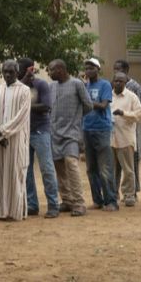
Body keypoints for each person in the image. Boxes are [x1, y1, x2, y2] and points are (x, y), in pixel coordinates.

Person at [48, 59, 92, 217]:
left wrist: (76, 118)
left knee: (71, 164)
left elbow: (88, 105)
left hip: (71, 133)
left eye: (51, 70)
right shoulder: (51, 86)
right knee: (59, 167)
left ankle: (79, 203)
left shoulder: (77, 84)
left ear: (60, 69)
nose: (49, 73)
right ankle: (67, 200)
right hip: (54, 133)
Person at [0, 59, 31, 221]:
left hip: (16, 138)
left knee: (15, 173)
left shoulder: (25, 90)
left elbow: (22, 116)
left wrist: (4, 132)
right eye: (5, 71)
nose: (7, 74)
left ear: (17, 72)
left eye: (11, 72)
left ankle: (14, 211)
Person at [19, 57, 59, 219]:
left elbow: (46, 106)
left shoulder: (41, 85)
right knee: (26, 170)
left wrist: (25, 106)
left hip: (41, 131)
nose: (17, 70)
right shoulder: (19, 85)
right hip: (24, 132)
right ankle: (32, 205)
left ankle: (53, 205)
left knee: (47, 168)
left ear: (29, 68)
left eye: (20, 68)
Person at [82, 58, 118, 211]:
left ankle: (111, 201)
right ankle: (97, 200)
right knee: (91, 168)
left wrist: (87, 102)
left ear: (98, 69)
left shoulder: (104, 85)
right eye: (86, 68)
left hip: (102, 129)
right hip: (87, 128)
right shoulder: (84, 86)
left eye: (91, 68)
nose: (88, 71)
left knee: (105, 167)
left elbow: (103, 105)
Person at [110, 71, 141, 207]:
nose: (117, 83)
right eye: (116, 81)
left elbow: (140, 115)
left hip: (125, 138)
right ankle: (113, 194)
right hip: (111, 138)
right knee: (112, 170)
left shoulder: (132, 97)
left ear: (125, 83)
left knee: (128, 169)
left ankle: (129, 195)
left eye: (121, 81)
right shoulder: (108, 96)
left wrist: (124, 113)